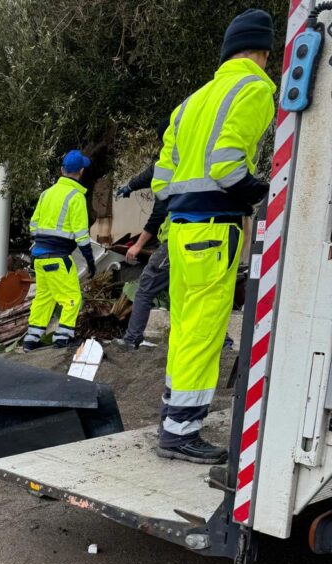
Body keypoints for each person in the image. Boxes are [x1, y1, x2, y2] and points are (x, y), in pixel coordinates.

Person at [151, 8, 276, 464]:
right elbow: (227, 165)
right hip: (214, 230)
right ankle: (181, 434)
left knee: (185, 329)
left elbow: (162, 183)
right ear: (264, 51)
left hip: (180, 233)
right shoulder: (256, 87)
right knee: (204, 333)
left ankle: (172, 418)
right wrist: (267, 191)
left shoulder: (190, 102)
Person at [22, 149, 96, 353]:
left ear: (62, 169)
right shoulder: (76, 197)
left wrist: (45, 240)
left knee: (44, 298)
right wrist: (90, 262)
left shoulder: (46, 194)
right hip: (58, 257)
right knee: (72, 298)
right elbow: (82, 236)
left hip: (39, 256)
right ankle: (63, 338)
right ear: (81, 171)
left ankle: (31, 339)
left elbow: (33, 225)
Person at [112, 123, 171, 350]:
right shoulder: (193, 157)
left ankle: (132, 338)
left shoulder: (169, 163)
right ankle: (222, 342)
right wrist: (131, 186)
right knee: (189, 291)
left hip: (175, 239)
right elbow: (151, 173)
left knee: (146, 286)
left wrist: (138, 244)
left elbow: (159, 212)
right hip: (204, 237)